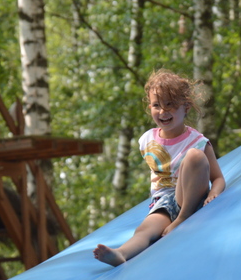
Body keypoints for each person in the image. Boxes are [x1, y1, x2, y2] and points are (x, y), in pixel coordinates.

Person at [94, 69, 226, 266]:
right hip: (163, 200)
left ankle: (183, 217)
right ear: (150, 107)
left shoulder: (197, 141)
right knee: (145, 230)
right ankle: (122, 253)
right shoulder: (147, 140)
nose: (163, 112)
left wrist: (213, 194)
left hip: (189, 194)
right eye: (157, 105)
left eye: (170, 105)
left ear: (186, 107)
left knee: (194, 157)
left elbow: (218, 178)